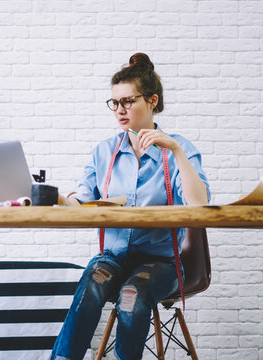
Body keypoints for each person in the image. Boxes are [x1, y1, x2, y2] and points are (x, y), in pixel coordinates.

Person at [51, 53, 211, 360]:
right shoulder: (104, 152)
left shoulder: (179, 149)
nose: (120, 110)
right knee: (88, 291)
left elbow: (199, 203)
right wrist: (59, 197)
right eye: (114, 103)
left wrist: (175, 150)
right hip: (113, 258)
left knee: (131, 293)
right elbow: (83, 202)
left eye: (128, 101)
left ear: (152, 100)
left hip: (162, 263)